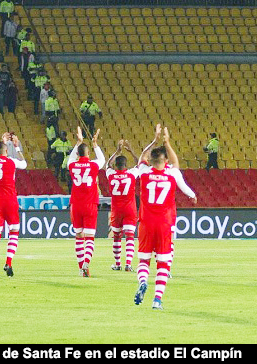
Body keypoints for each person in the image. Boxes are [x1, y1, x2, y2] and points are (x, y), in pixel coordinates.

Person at [133, 126, 196, 310]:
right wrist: (167, 142)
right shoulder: (172, 173)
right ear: (165, 160)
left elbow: (141, 158)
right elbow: (177, 168)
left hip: (145, 223)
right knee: (163, 263)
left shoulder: (144, 172)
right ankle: (157, 300)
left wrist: (154, 139)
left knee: (144, 261)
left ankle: (143, 281)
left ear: (150, 161)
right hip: (164, 224)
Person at [64, 126, 106, 277]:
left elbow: (70, 159)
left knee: (78, 237)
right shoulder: (94, 165)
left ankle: (82, 267)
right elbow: (102, 159)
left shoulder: (72, 165)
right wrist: (95, 144)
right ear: (88, 153)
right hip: (90, 204)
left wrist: (78, 142)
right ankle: (87, 262)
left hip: (76, 204)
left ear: (78, 154)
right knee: (89, 238)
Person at [0, 132, 28, 278]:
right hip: (10, 201)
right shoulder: (11, 161)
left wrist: (2, 141)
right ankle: (8, 262)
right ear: (6, 151)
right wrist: (16, 147)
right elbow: (24, 164)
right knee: (14, 232)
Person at [106, 140, 143, 273]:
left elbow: (107, 165)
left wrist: (117, 151)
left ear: (116, 165)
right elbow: (140, 163)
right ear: (126, 165)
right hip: (130, 209)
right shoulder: (131, 174)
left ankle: (117, 264)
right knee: (129, 237)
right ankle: (128, 264)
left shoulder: (111, 175)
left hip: (116, 210)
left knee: (116, 237)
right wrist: (131, 150)